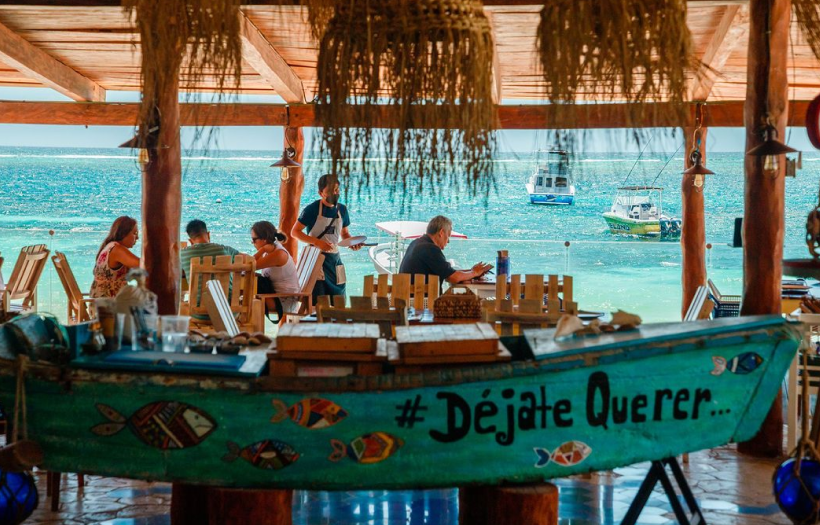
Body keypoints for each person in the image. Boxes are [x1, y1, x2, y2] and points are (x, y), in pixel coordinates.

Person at [291, 174, 362, 300]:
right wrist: (317, 242)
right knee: (318, 299)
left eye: (337, 190)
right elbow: (295, 232)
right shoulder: (312, 209)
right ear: (321, 193)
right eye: (330, 191)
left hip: (335, 260)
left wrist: (352, 243)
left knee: (339, 298)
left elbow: (345, 234)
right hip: (316, 260)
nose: (335, 193)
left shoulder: (342, 210)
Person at [399, 215, 492, 286]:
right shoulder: (430, 249)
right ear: (441, 233)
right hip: (421, 302)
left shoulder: (417, 243)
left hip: (407, 297)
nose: (448, 241)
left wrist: (470, 271)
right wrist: (474, 273)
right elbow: (453, 277)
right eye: (448, 236)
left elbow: (447, 272)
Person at [251, 220, 300, 319]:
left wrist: (262, 250)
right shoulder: (272, 251)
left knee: (241, 300)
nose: (252, 242)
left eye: (254, 239)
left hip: (284, 301)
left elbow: (250, 265)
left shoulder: (279, 254)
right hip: (275, 296)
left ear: (264, 239)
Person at [90, 216, 141, 298]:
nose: (137, 238)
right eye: (134, 233)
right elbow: (143, 265)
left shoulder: (110, 246)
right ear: (124, 233)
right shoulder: (117, 250)